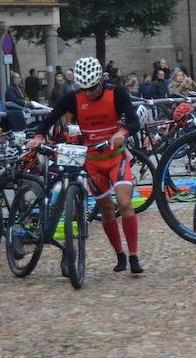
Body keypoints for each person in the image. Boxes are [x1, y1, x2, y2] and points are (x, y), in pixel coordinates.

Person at [28, 57, 143, 275]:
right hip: (92, 162)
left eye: (93, 88)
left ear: (101, 79)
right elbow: (51, 117)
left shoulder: (116, 93)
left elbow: (134, 121)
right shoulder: (73, 98)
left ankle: (134, 256)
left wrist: (122, 132)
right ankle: (119, 255)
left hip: (115, 158)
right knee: (107, 210)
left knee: (124, 202)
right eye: (85, 89)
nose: (89, 93)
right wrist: (38, 135)